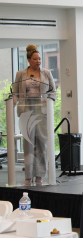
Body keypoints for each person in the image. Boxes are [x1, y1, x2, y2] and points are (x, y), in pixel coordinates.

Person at [13, 44, 56, 185]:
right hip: (26, 110)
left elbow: (53, 92)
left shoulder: (47, 73)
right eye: (35, 59)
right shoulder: (20, 74)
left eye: (40, 59)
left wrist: (48, 99)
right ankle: (28, 175)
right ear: (29, 60)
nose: (38, 61)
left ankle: (39, 175)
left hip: (42, 111)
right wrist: (11, 103)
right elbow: (15, 93)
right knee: (28, 144)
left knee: (42, 144)